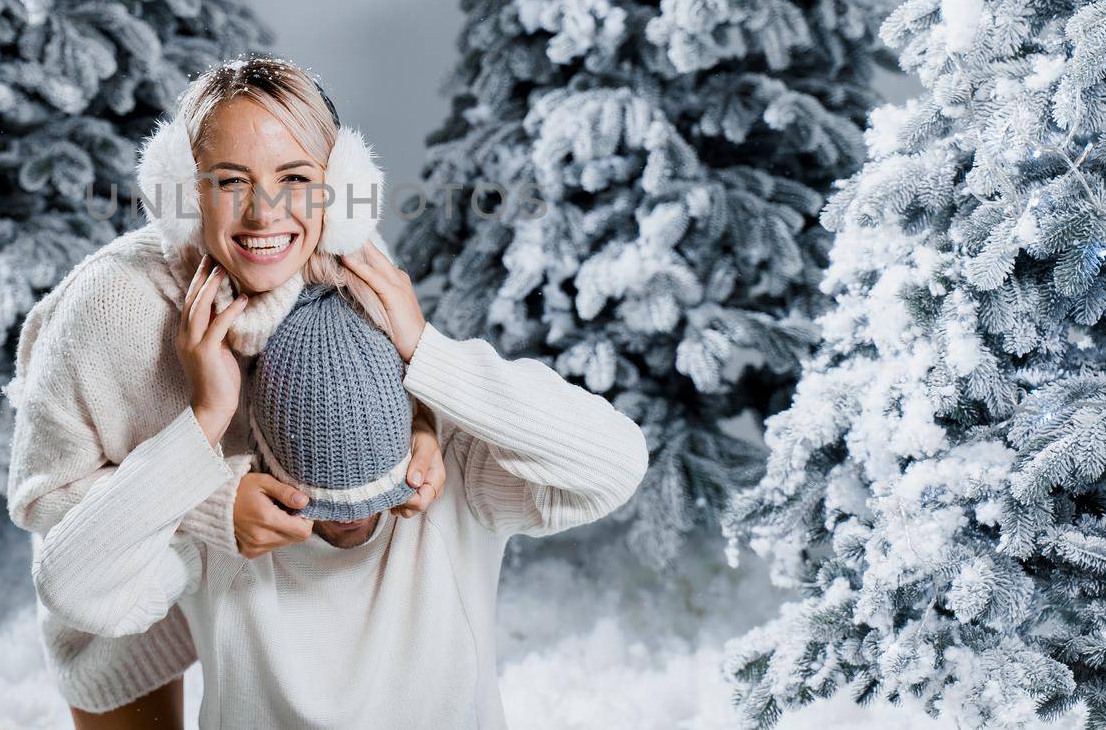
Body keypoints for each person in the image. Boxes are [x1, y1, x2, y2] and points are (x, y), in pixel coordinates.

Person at [33, 235, 651, 728]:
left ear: (412, 434)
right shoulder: (234, 519)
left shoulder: (450, 483)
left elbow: (616, 463)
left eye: (370, 493)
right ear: (267, 458)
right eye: (321, 496)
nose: (348, 521)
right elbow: (73, 586)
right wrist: (202, 443)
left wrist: (430, 354)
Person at [5, 56, 451, 728]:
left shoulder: (350, 265)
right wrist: (213, 499)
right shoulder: (111, 305)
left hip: (279, 568)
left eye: (296, 178)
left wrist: (420, 427)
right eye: (230, 182)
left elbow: (401, 383)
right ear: (182, 190)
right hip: (126, 567)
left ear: (336, 186)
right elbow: (43, 503)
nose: (265, 212)